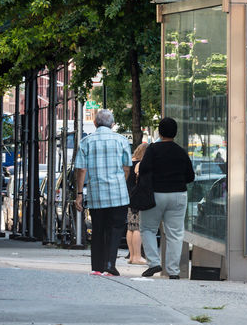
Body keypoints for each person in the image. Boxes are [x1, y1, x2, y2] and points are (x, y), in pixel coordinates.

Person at [75, 109, 132, 276]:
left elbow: (81, 170)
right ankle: (110, 264)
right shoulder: (121, 141)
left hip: (96, 194)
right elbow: (127, 168)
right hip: (118, 194)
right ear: (112, 124)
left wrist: (79, 194)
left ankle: (97, 267)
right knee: (115, 229)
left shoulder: (86, 142)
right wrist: (122, 181)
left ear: (95, 123)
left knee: (98, 229)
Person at [138, 118, 195, 279]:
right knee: (175, 234)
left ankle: (154, 262)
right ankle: (173, 271)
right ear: (175, 133)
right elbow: (190, 176)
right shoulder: (181, 152)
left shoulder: (153, 149)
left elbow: (143, 169)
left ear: (160, 132)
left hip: (155, 194)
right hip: (178, 195)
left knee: (148, 229)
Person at [126, 143, 149, 265]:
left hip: (129, 197)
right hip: (138, 197)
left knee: (130, 227)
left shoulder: (130, 162)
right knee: (138, 228)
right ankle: (137, 256)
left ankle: (131, 256)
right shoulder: (140, 165)